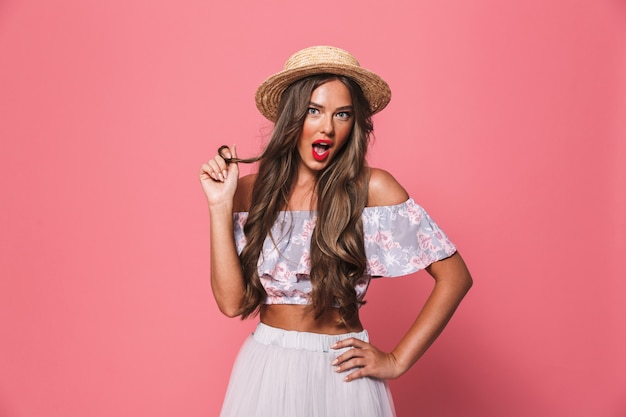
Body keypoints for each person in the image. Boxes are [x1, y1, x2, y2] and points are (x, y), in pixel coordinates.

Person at [200, 45, 473, 417]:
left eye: (342, 114)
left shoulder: (373, 189)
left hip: (342, 372)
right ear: (292, 117)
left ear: (355, 124)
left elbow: (455, 277)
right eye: (314, 110)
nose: (327, 126)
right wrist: (219, 205)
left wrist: (396, 360)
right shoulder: (250, 191)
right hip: (267, 368)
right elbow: (232, 304)